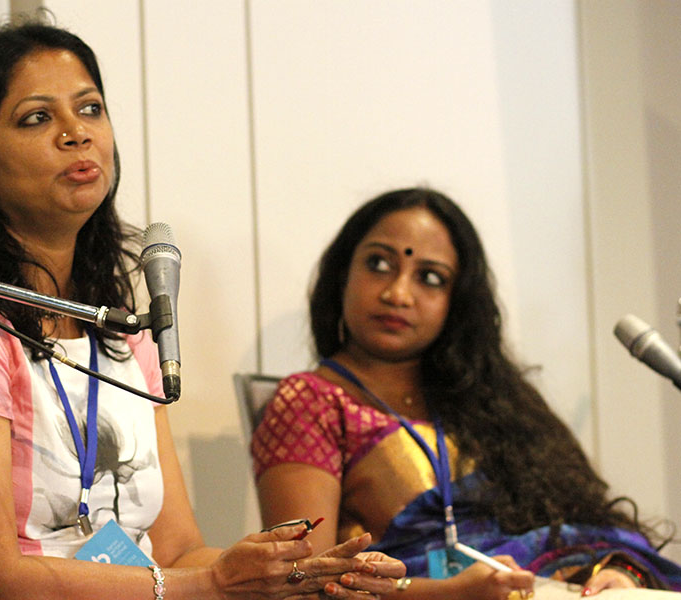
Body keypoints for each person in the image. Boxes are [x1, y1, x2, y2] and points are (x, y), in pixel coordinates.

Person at [0, 17, 407, 600]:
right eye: (38, 117)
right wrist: (210, 585)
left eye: (90, 109)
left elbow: (179, 552)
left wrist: (297, 579)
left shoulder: (120, 327)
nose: (75, 133)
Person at [251, 187, 681, 600]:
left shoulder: (496, 401)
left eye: (430, 278)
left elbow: (590, 525)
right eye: (379, 265)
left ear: (457, 301)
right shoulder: (311, 401)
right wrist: (449, 595)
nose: (397, 293)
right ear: (343, 273)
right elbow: (302, 585)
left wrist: (621, 572)